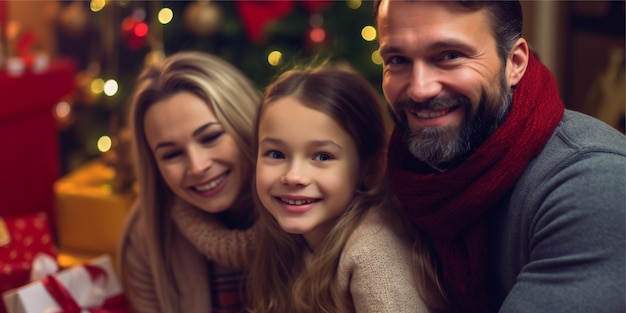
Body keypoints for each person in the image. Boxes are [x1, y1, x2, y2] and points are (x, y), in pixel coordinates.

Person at [374, 1, 626, 312]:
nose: (420, 89)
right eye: (397, 60)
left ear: (514, 63)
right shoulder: (402, 175)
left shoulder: (594, 185)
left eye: (450, 56)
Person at [247, 66, 445, 313]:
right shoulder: (287, 242)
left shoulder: (374, 255)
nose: (293, 176)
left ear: (370, 169)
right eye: (276, 154)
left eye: (322, 156)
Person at [118, 51, 260, 312]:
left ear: (245, 126)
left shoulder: (311, 208)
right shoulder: (147, 235)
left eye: (210, 137)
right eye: (171, 154)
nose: (197, 166)